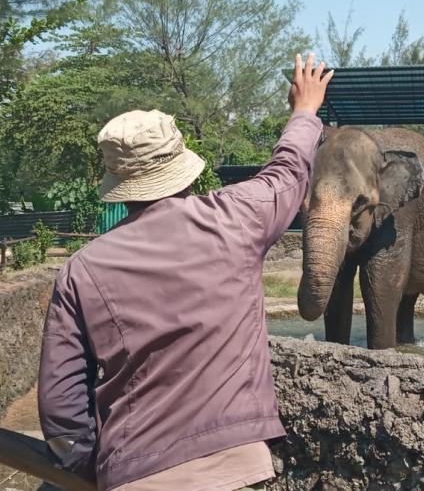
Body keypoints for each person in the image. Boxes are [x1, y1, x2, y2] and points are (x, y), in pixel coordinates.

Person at [38, 54, 334, 491]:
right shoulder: (235, 218)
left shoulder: (81, 270)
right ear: (184, 167)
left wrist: (100, 467)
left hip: (134, 475)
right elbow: (288, 171)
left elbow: (61, 404)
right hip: (236, 469)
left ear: (120, 182)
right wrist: (304, 112)